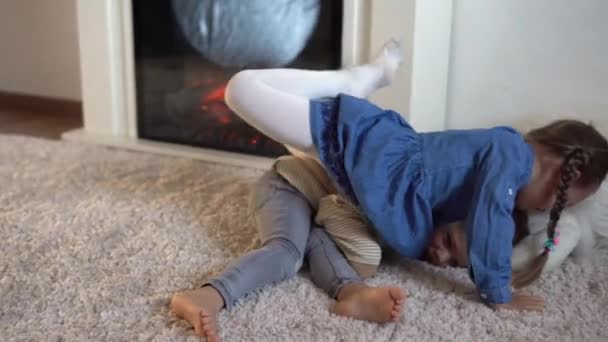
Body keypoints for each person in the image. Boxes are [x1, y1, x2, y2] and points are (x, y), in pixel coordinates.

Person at [223, 39, 608, 307]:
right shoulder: (510, 155)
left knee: (310, 154)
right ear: (563, 177)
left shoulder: (499, 170)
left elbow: (485, 221)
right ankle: (345, 83)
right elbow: (492, 221)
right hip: (373, 152)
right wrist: (497, 292)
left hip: (377, 167)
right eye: (559, 202)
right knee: (240, 90)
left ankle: (351, 89)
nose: (545, 209)